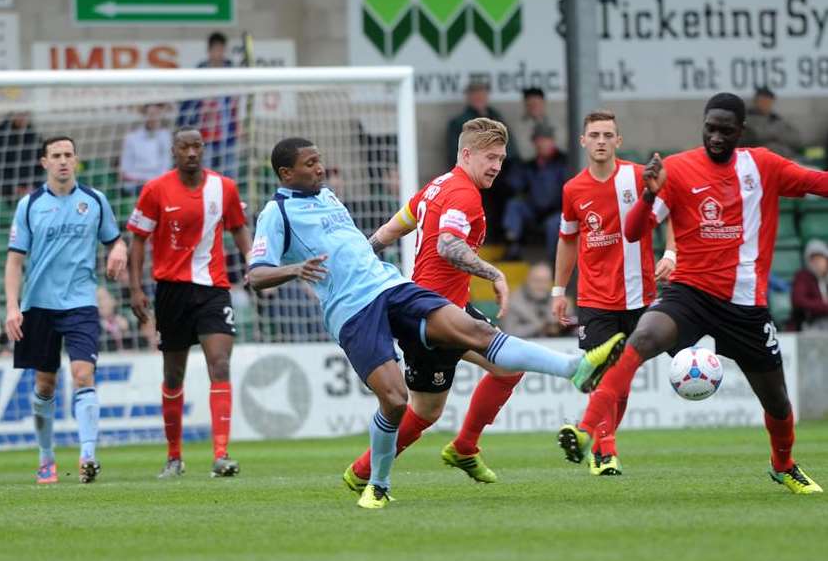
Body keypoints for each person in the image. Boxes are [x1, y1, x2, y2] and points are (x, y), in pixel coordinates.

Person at [247, 136, 626, 509]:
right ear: (286, 173)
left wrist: (370, 250)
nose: (319, 168)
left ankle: (574, 369)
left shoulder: (327, 195)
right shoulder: (276, 214)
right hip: (353, 310)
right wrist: (296, 268)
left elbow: (376, 235)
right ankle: (377, 482)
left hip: (391, 285)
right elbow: (256, 274)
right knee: (396, 402)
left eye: (319, 160)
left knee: (479, 332)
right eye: (310, 164)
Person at [557, 93, 828, 494]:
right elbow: (635, 231)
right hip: (690, 293)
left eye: (725, 130)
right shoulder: (678, 169)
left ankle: (783, 464)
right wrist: (649, 193)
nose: (716, 137)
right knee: (643, 338)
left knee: (778, 403)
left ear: (741, 131)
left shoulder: (763, 166)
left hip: (744, 306)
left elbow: (817, 182)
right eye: (710, 128)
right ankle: (585, 431)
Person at [552, 110, 676, 476]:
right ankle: (606, 451)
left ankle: (601, 442)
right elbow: (567, 240)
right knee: (605, 377)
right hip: (595, 299)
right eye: (595, 134)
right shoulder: (573, 189)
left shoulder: (638, 177)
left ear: (618, 141)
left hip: (641, 296)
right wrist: (559, 290)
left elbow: (672, 214)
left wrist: (671, 253)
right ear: (583, 141)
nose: (601, 141)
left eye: (608, 134)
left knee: (619, 386)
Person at [127, 127, 252, 479]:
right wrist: (135, 289)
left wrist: (254, 262)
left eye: (197, 146)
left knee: (219, 363)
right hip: (171, 290)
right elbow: (137, 240)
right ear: (174, 151)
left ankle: (221, 455)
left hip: (212, 288)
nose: (192, 152)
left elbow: (239, 227)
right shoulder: (155, 189)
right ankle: (174, 456)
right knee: (173, 375)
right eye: (185, 147)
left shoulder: (223, 187)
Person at [3, 136, 127, 484]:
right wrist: (13, 307)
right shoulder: (29, 205)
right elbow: (14, 261)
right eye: (55, 155)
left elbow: (114, 239)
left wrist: (119, 248)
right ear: (44, 162)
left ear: (76, 160)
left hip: (81, 302)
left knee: (83, 374)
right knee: (45, 385)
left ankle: (88, 454)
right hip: (38, 305)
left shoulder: (94, 201)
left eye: (68, 155)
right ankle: (46, 456)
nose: (62, 161)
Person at [502, 123, 569, 261]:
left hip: (558, 211)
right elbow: (514, 184)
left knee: (553, 224)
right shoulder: (530, 165)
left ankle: (553, 265)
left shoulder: (564, 162)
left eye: (545, 140)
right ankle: (513, 247)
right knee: (514, 205)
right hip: (534, 211)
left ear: (552, 141)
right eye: (538, 140)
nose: (541, 144)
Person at [177, 32, 239, 178]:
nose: (219, 53)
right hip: (205, 134)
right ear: (209, 50)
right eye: (215, 49)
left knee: (229, 174)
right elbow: (189, 104)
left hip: (226, 134)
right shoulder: (200, 72)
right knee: (206, 174)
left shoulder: (233, 72)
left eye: (221, 49)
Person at [503, 262, 568, 338]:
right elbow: (509, 332)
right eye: (537, 280)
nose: (541, 285)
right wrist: (540, 326)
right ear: (528, 280)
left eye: (545, 281)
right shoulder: (513, 301)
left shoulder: (556, 299)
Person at [119, 104, 173, 194]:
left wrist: (154, 180)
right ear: (144, 115)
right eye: (150, 114)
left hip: (157, 183)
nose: (153, 117)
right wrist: (141, 179)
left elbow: (166, 164)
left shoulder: (165, 136)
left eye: (156, 114)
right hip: (136, 184)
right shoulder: (132, 137)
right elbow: (125, 168)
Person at [0, 111, 43, 197]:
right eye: (20, 114)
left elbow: (39, 166)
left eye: (25, 114)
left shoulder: (34, 136)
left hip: (29, 185)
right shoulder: (1, 136)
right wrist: (14, 188)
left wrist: (33, 186)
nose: (22, 118)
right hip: (4, 185)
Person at [740, 86, 803, 160]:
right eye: (762, 101)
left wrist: (778, 135)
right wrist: (776, 133)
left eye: (768, 101)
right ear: (756, 101)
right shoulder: (748, 118)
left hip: (785, 158)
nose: (765, 104)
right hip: (759, 159)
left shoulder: (777, 119)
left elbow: (797, 139)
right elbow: (757, 136)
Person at [507, 87, 557, 161]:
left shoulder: (556, 123)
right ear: (525, 105)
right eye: (530, 104)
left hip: (555, 165)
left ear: (543, 103)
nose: (534, 107)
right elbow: (522, 152)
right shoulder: (517, 127)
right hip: (526, 166)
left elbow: (561, 147)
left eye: (536, 104)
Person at [790, 238, 828, 331]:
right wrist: (824, 306)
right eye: (813, 259)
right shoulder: (803, 277)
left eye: (820, 259)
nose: (817, 263)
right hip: (810, 323)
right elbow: (799, 301)